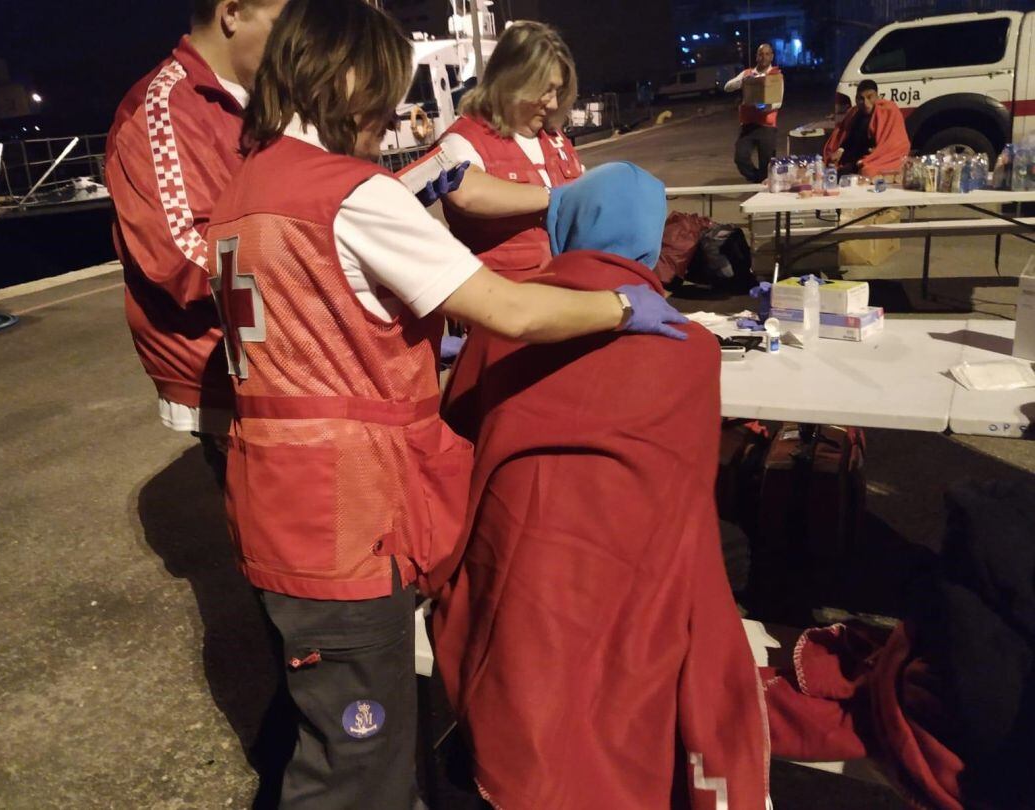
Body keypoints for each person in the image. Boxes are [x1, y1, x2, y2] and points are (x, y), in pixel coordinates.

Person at [205, 2, 690, 807]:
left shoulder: (243, 189)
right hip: (347, 518)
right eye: (388, 92)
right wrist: (621, 310)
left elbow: (319, 320)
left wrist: (424, 338)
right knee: (357, 768)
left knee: (329, 728)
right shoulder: (351, 194)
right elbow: (515, 309)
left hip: (273, 497)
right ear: (350, 78)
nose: (394, 114)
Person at [435, 163, 770, 810]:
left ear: (566, 225)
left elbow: (458, 437)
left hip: (520, 582)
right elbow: (690, 484)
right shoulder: (694, 349)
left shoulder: (502, 329)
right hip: (637, 584)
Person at [105, 0, 288, 483]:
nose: (296, 41)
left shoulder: (261, 96)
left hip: (285, 349)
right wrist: (328, 261)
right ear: (232, 12)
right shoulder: (162, 106)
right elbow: (184, 259)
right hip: (231, 364)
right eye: (282, 23)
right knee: (286, 531)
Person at [438, 21, 585, 278]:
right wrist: (559, 197)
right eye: (544, 90)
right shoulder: (463, 140)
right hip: (502, 306)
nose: (552, 103)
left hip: (565, 296)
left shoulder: (554, 138)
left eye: (557, 91)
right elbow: (467, 193)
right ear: (512, 81)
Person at [823, 79, 911, 177]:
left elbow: (894, 144)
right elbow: (847, 138)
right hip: (852, 158)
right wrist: (839, 151)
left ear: (877, 96)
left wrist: (875, 153)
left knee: (866, 171)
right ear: (856, 99)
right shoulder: (854, 113)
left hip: (874, 158)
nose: (865, 103)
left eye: (870, 97)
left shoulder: (887, 110)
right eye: (861, 99)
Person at [724, 43, 783, 183]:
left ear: (772, 56)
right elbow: (727, 87)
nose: (764, 57)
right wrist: (742, 82)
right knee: (740, 158)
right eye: (761, 54)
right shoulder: (747, 74)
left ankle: (764, 190)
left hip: (767, 126)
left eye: (767, 54)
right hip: (748, 126)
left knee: (766, 163)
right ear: (756, 56)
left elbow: (778, 102)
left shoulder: (776, 75)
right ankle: (757, 180)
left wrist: (765, 107)